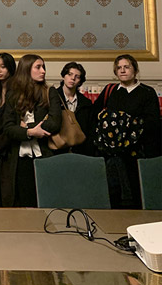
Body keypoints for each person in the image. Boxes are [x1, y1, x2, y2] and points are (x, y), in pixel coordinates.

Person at [92, 55, 161, 208]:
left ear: (135, 70)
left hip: (137, 155)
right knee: (114, 197)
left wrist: (126, 124)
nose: (122, 70)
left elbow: (153, 123)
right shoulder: (111, 91)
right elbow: (95, 114)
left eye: (126, 67)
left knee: (137, 197)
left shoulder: (147, 92)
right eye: (119, 68)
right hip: (112, 156)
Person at [0, 54, 62, 207]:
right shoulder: (12, 95)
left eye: (43, 67)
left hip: (44, 155)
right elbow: (8, 128)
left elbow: (54, 123)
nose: (43, 71)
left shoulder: (50, 92)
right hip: (19, 160)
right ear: (27, 69)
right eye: (38, 67)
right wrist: (30, 133)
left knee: (44, 202)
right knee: (21, 204)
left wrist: (26, 127)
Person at [56, 61, 95, 156]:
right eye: (70, 74)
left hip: (81, 151)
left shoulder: (86, 103)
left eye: (77, 76)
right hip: (58, 150)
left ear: (80, 81)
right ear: (63, 76)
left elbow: (90, 130)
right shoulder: (52, 98)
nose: (73, 78)